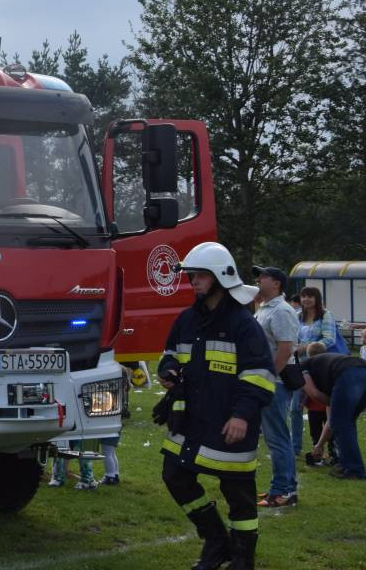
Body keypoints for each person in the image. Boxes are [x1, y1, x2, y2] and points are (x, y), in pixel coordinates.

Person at [157, 242, 271, 570]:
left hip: (229, 421)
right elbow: (170, 353)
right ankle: (216, 541)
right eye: (192, 276)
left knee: (239, 495)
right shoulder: (187, 320)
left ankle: (242, 559)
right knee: (174, 474)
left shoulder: (243, 324)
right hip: (191, 420)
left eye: (201, 276)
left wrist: (241, 416)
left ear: (222, 277)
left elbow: (260, 374)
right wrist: (168, 370)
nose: (193, 282)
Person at [249, 264, 299, 508]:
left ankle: (283, 491)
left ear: (277, 283)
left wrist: (268, 378)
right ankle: (284, 487)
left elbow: (285, 349)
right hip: (270, 381)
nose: (258, 279)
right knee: (275, 437)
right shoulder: (265, 308)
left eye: (263, 276)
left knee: (277, 438)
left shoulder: (281, 311)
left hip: (275, 383)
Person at [299, 348, 366, 480]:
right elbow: (331, 421)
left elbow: (315, 395)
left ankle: (354, 469)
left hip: (348, 372)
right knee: (346, 422)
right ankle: (347, 463)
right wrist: (319, 445)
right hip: (360, 369)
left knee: (342, 423)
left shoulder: (301, 370)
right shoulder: (325, 376)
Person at [292, 286, 337, 456]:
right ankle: (295, 447)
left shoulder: (326, 315)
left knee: (324, 407)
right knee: (295, 408)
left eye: (310, 296)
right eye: (303, 296)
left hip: (319, 365)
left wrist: (308, 348)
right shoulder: (297, 316)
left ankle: (331, 448)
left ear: (317, 298)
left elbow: (330, 339)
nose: (306, 300)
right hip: (298, 365)